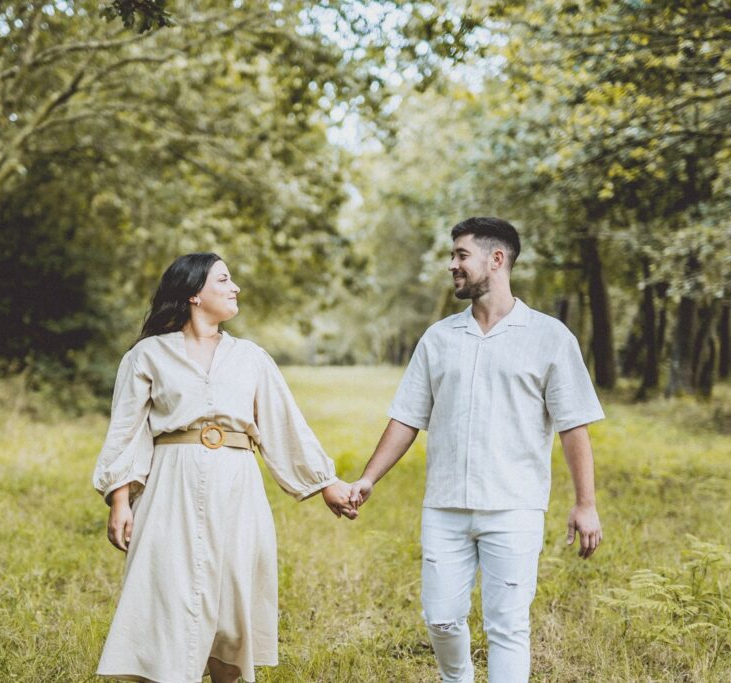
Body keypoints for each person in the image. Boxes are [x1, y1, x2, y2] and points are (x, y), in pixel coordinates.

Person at [348, 217, 605, 683]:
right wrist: (368, 478)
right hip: (445, 506)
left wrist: (585, 503)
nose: (453, 265)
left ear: (497, 259)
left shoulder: (549, 337)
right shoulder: (439, 338)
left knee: (507, 627)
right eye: (453, 256)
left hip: (514, 506)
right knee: (441, 620)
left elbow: (573, 426)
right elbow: (407, 417)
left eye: (461, 255)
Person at [93, 252, 356, 683]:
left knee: (233, 611)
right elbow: (126, 431)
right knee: (169, 600)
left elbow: (284, 423)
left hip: (238, 489)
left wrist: (325, 483)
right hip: (169, 490)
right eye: (224, 280)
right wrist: (120, 501)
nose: (235, 289)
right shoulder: (147, 356)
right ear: (194, 294)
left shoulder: (250, 357)